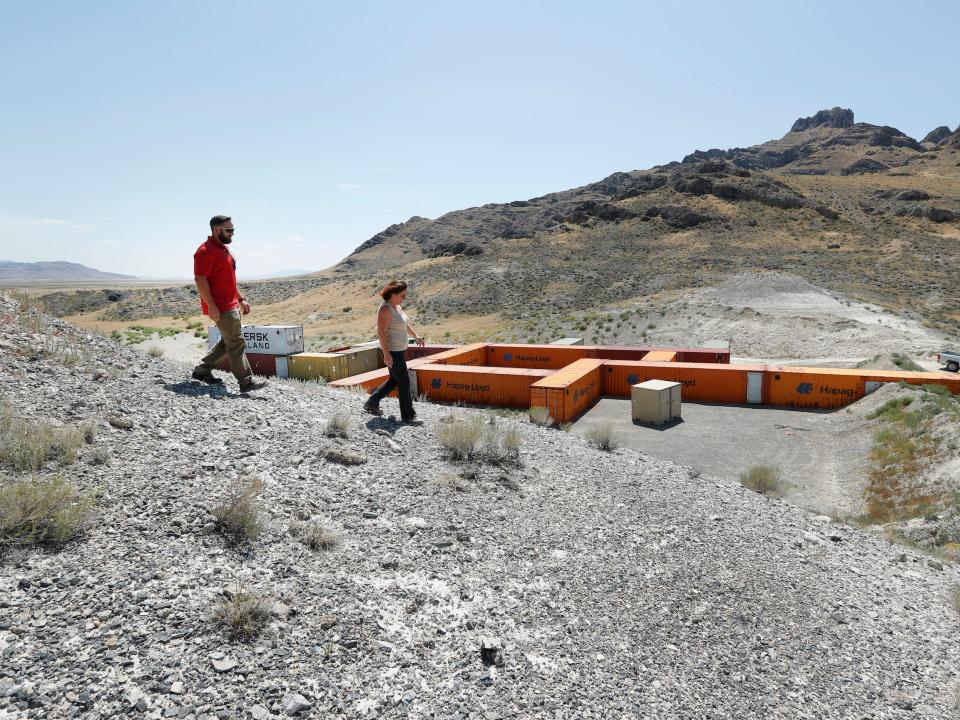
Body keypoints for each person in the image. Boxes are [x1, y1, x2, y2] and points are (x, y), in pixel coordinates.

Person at [191, 215, 266, 393]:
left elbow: (229, 280)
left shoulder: (223, 249)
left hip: (231, 304)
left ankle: (201, 370)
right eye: (229, 230)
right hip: (221, 306)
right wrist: (211, 306)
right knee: (236, 342)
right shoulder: (205, 251)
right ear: (217, 230)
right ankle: (246, 381)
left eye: (233, 230)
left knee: (228, 342)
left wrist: (241, 299)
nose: (232, 234)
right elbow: (200, 279)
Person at [363, 280, 425, 422]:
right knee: (404, 382)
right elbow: (381, 333)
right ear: (393, 294)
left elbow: (405, 324)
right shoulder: (385, 309)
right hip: (392, 351)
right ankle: (408, 416)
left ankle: (372, 402)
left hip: (399, 350)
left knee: (393, 380)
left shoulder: (397, 306)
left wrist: (416, 336)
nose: (404, 298)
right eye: (402, 296)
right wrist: (386, 355)